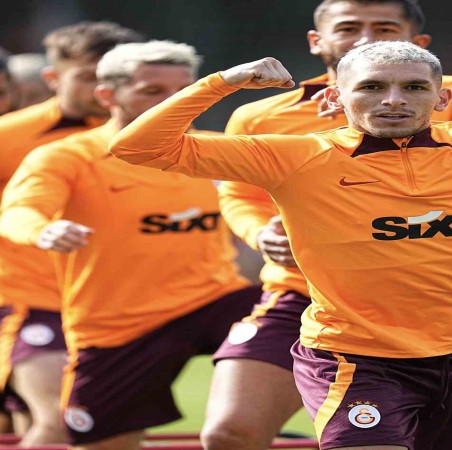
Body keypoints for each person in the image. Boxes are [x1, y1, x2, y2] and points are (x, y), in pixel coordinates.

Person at [109, 42, 452, 449]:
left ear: (441, 97)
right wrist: (222, 83)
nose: (393, 100)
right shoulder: (293, 155)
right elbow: (138, 147)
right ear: (337, 97)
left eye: (413, 87)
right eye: (372, 87)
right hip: (353, 357)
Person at [202, 1, 452, 449]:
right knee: (230, 433)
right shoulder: (260, 115)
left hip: (421, 305)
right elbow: (239, 194)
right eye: (349, 27)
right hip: (302, 293)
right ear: (317, 41)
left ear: (419, 43)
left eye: (385, 28)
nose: (366, 38)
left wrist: (363, 119)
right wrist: (260, 233)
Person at [0, 40, 259, 450]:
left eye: (184, 91)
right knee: (74, 434)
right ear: (107, 95)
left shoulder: (221, 150)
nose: (172, 102)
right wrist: (43, 230)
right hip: (116, 324)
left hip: (212, 300)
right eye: (153, 91)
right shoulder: (66, 156)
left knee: (299, 314)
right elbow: (18, 211)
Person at [0, 21, 143, 446]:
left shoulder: (149, 138)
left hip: (116, 309)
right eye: (87, 76)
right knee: (62, 419)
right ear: (52, 77)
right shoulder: (10, 137)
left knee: (100, 432)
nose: (103, 87)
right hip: (29, 301)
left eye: (115, 76)